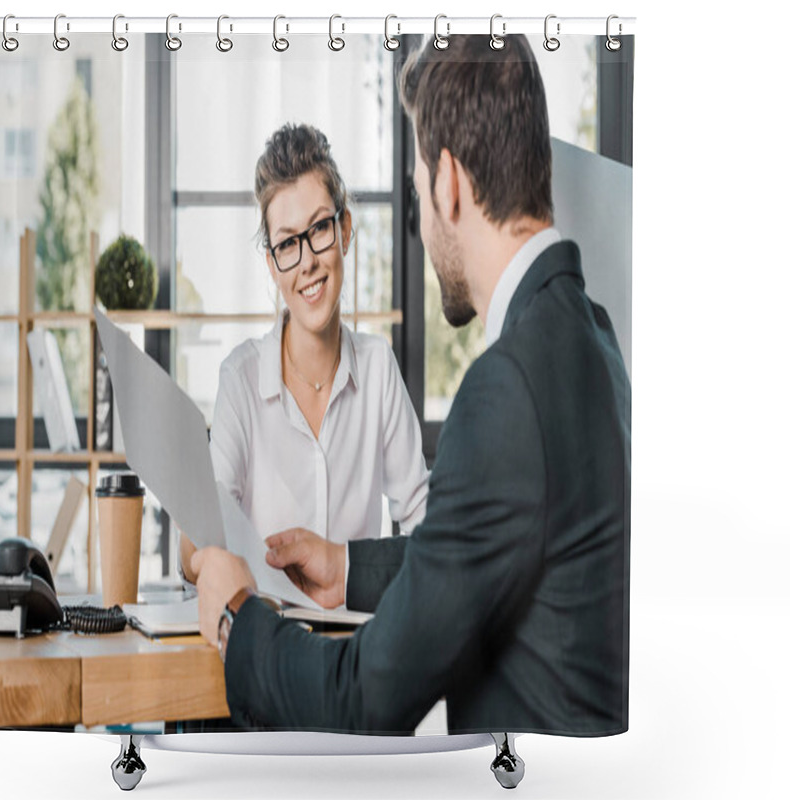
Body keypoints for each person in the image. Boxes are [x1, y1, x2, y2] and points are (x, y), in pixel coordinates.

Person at [192, 34, 630, 738]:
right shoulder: (593, 337)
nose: (422, 223)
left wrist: (235, 618)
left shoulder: (505, 389)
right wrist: (346, 568)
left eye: (419, 186)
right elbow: (485, 547)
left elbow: (364, 697)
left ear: (449, 182)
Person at [181, 123, 429, 584]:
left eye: (318, 229)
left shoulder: (377, 369)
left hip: (357, 647)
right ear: (273, 263)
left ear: (345, 231)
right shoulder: (241, 378)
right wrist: (196, 544)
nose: (308, 261)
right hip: (271, 638)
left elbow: (427, 529)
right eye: (288, 243)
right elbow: (201, 538)